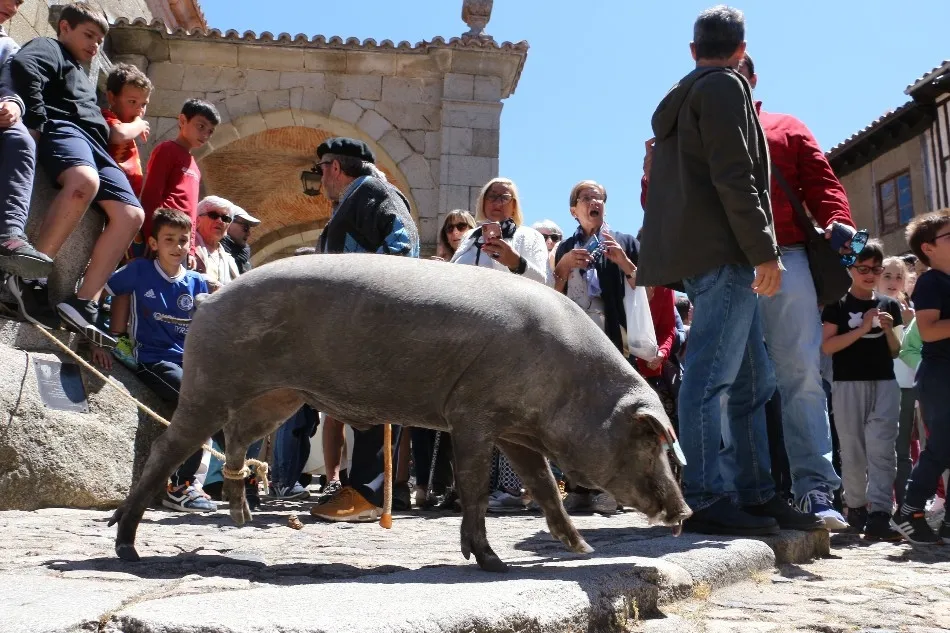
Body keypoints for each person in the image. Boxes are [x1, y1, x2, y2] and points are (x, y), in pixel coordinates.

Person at [639, 5, 822, 535]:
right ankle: (704, 496)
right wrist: (764, 249)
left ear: (693, 51)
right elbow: (735, 175)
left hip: (712, 255)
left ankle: (757, 493)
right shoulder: (724, 87)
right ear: (741, 51)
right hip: (726, 254)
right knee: (713, 377)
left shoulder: (688, 95)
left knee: (751, 381)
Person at [735, 53, 854, 530]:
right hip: (724, 264)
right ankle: (741, 491)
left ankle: (814, 488)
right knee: (732, 381)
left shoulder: (787, 126)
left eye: (737, 71)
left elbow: (823, 184)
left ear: (752, 77)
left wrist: (838, 221)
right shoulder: (694, 129)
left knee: (801, 373)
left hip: (790, 255)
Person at [6, 2, 145, 345]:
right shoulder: (49, 47)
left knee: (132, 215)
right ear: (64, 27)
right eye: (89, 35)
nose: (95, 45)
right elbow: (25, 66)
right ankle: (29, 277)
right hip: (65, 130)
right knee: (83, 182)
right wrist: (36, 121)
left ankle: (83, 302)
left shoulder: (82, 73)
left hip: (96, 146)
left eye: (100, 40)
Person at [309, 136, 419, 523]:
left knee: (375, 406)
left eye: (321, 170)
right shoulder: (356, 199)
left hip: (376, 321)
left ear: (335, 167)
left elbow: (402, 248)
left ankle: (368, 495)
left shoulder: (373, 192)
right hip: (360, 321)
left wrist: (364, 302)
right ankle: (362, 491)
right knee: (361, 405)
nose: (320, 179)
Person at [93, 208, 212, 511]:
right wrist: (98, 338)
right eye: (169, 239)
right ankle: (179, 487)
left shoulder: (197, 282)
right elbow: (99, 290)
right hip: (151, 359)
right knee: (196, 401)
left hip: (189, 361)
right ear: (154, 243)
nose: (177, 246)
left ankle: (199, 481)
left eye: (183, 240)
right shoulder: (139, 270)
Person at [450, 177, 550, 513]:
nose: (497, 201)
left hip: (516, 336)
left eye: (504, 197)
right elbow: (451, 280)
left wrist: (514, 261)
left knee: (514, 413)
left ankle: (517, 487)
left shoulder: (529, 237)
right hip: (473, 338)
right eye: (491, 196)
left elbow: (545, 282)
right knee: (478, 413)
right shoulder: (469, 240)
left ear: (515, 204)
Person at [820, 240, 902, 541]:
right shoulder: (838, 304)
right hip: (847, 384)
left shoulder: (889, 304)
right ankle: (855, 506)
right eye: (863, 268)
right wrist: (863, 329)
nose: (870, 275)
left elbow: (896, 351)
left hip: (885, 382)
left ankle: (881, 511)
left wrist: (890, 331)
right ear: (851, 269)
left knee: (883, 448)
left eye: (875, 269)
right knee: (853, 450)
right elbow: (827, 346)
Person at [892, 210, 950, 544]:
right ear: (927, 248)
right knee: (941, 445)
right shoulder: (931, 282)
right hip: (940, 375)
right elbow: (927, 331)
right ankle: (909, 511)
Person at [98, 62, 152, 369]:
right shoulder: (111, 119)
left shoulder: (130, 124)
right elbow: (116, 134)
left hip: (129, 212)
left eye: (143, 104)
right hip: (109, 208)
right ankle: (93, 330)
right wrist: (137, 126)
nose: (139, 110)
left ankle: (117, 336)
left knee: (127, 278)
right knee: (102, 271)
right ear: (112, 97)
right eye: (132, 102)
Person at [0, 0, 53, 280]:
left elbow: (11, 87)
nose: (13, 7)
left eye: (20, 2)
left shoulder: (8, 47)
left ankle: (10, 235)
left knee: (22, 138)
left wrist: (13, 105)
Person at [878, 256, 917, 506]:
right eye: (887, 275)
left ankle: (903, 505)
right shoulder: (867, 308)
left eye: (898, 276)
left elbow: (910, 351)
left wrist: (909, 321)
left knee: (903, 449)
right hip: (875, 383)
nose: (893, 281)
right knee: (876, 448)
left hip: (904, 385)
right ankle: (877, 504)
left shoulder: (912, 312)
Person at [193, 196, 240, 292]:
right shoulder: (188, 249)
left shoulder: (229, 259)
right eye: (213, 215)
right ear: (198, 220)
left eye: (225, 218)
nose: (220, 221)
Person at [221, 206, 260, 275]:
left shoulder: (243, 260)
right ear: (229, 223)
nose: (248, 233)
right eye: (245, 228)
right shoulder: (215, 253)